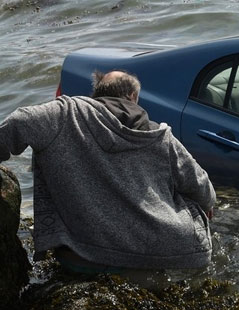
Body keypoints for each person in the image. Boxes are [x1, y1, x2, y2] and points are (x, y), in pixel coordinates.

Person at [0, 70, 216, 272]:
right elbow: (202, 186)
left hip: (88, 256)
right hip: (173, 251)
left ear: (96, 94)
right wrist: (206, 205)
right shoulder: (159, 135)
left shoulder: (65, 114)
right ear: (133, 96)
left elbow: (18, 122)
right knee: (192, 203)